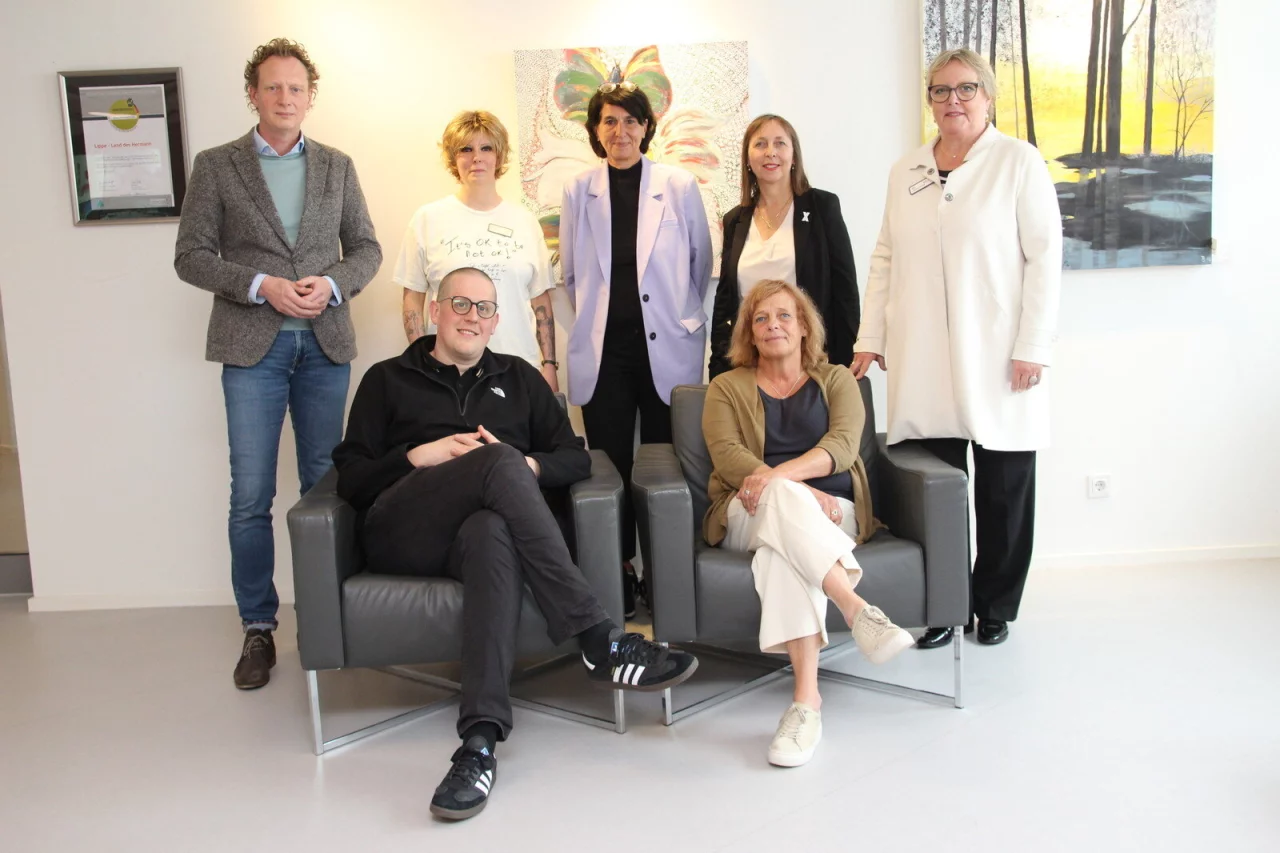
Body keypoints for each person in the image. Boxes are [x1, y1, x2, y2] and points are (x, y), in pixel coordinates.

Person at [332, 267, 699, 821]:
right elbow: (351, 478)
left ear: (496, 320)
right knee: (498, 460)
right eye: (460, 303)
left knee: (491, 528)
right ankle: (598, 639)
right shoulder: (387, 379)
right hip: (405, 530)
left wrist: (528, 465)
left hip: (478, 539)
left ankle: (478, 744)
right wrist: (419, 456)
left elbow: (575, 457)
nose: (471, 317)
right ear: (435, 310)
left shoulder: (521, 378)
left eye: (484, 308)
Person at [174, 38, 381, 690]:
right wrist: (260, 285)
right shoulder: (216, 166)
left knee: (324, 486)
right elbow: (191, 256)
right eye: (273, 87)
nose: (285, 98)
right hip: (251, 349)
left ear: (310, 96)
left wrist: (334, 284)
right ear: (253, 94)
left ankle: (327, 617)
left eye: (296, 88)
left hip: (324, 346)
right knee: (251, 494)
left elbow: (367, 248)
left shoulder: (337, 166)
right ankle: (259, 628)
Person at [852, 48, 1062, 648]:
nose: (953, 101)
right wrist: (871, 336)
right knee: (933, 492)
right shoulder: (907, 170)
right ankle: (945, 604)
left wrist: (1033, 344)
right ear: (930, 101)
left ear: (988, 97)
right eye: (941, 91)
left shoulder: (1018, 161)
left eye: (966, 89)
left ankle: (993, 604)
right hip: (923, 354)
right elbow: (885, 256)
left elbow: (1045, 257)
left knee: (1004, 488)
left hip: (999, 353)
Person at [702, 279, 914, 768]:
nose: (772, 325)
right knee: (780, 503)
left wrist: (784, 481)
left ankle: (806, 704)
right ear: (749, 334)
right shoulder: (725, 388)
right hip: (746, 512)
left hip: (833, 512)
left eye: (784, 316)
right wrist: (794, 491)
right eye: (760, 318)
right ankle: (857, 610)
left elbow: (843, 446)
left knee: (781, 555)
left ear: (803, 327)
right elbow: (728, 457)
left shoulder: (837, 380)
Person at [560, 82, 712, 616]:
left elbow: (700, 263)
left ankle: (666, 570)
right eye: (609, 121)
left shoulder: (678, 185)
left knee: (668, 462)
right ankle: (622, 570)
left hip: (668, 345)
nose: (620, 131)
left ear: (646, 127)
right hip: (606, 353)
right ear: (595, 130)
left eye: (630, 120)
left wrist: (675, 314)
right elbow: (572, 274)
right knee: (609, 465)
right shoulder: (579, 189)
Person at [393, 110, 559, 390]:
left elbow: (540, 300)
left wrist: (550, 365)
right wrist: (422, 364)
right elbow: (413, 298)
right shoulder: (427, 219)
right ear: (453, 158)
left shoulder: (525, 222)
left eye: (486, 148)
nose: (477, 157)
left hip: (518, 369)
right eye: (466, 149)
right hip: (447, 374)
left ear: (499, 156)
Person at [709, 114, 860, 379]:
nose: (770, 152)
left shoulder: (822, 208)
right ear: (747, 159)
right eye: (760, 144)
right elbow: (725, 303)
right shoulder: (735, 220)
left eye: (780, 143)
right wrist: (718, 370)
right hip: (748, 366)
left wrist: (842, 365)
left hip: (812, 364)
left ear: (794, 156)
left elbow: (845, 292)